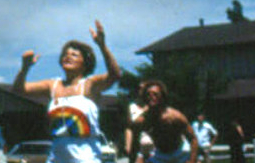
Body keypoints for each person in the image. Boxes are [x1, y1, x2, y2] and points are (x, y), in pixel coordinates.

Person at [12, 20, 122, 163]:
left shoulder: (90, 85)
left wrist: (102, 46)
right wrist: (25, 68)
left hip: (86, 156)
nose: (67, 56)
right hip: (57, 155)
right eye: (65, 54)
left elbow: (115, 75)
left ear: (85, 63)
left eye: (74, 55)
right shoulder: (53, 85)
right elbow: (19, 89)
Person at [129, 80, 198, 163]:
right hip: (160, 155)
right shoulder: (142, 120)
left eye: (155, 94)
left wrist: (192, 161)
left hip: (180, 153)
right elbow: (134, 144)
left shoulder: (175, 116)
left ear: (162, 97)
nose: (151, 97)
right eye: (148, 94)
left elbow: (193, 139)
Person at [125, 82, 154, 163]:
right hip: (137, 146)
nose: (141, 90)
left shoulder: (154, 106)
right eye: (139, 88)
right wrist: (128, 145)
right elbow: (129, 127)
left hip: (152, 146)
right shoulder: (131, 107)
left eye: (144, 88)